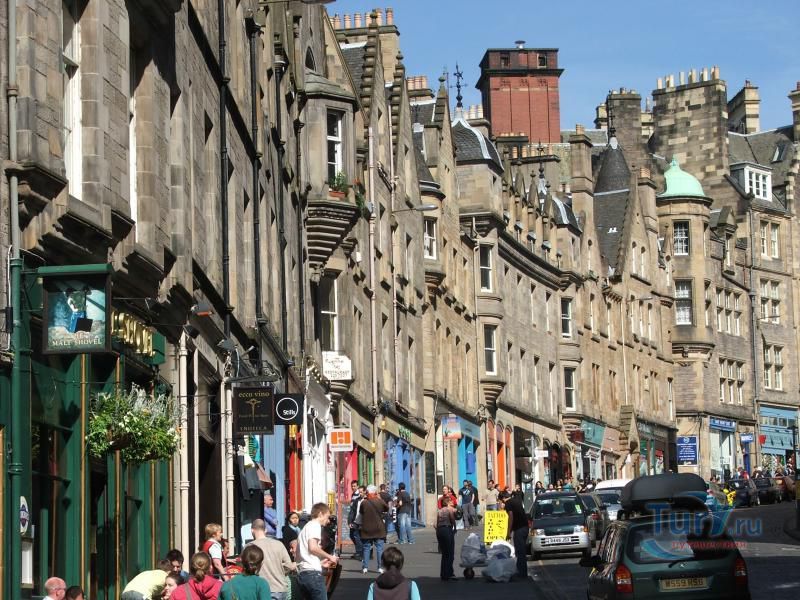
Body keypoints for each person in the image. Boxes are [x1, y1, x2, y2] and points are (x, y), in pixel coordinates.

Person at [296, 502, 339, 600]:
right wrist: (330, 557)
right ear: (320, 514)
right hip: (313, 575)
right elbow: (313, 547)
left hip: (302, 573)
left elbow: (301, 554)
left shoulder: (305, 529)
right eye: (327, 517)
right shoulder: (315, 525)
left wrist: (319, 563)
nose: (328, 521)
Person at [248, 518, 296, 600]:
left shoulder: (249, 547)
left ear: (252, 530)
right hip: (280, 589)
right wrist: (279, 571)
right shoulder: (279, 544)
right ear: (265, 530)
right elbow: (289, 566)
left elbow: (246, 569)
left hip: (261, 590)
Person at [359, 485, 389, 574]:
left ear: (367, 492)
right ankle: (380, 567)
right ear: (375, 492)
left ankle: (365, 567)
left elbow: (361, 512)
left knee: (366, 548)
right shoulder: (379, 501)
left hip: (367, 529)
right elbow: (387, 508)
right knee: (379, 548)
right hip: (379, 528)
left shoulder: (364, 502)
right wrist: (379, 498)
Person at [505, 491, 529, 579]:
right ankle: (522, 571)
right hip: (525, 527)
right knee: (521, 550)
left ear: (503, 499)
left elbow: (511, 517)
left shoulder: (508, 503)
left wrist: (508, 532)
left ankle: (522, 573)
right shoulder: (516, 501)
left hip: (519, 529)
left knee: (520, 551)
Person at [436, 496, 457, 581]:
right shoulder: (449, 510)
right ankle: (449, 574)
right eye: (450, 501)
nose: (452, 502)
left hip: (440, 530)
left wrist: (437, 532)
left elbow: (437, 523)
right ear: (447, 503)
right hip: (447, 530)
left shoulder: (439, 511)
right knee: (450, 553)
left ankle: (443, 574)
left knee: (444, 553)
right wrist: (455, 528)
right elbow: (452, 519)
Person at [348, 481, 364, 560]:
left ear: (357, 486)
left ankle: (360, 552)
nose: (353, 487)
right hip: (354, 519)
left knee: (357, 536)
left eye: (354, 486)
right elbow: (352, 509)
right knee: (353, 535)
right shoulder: (353, 495)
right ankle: (359, 551)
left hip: (358, 519)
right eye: (352, 486)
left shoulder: (359, 496)